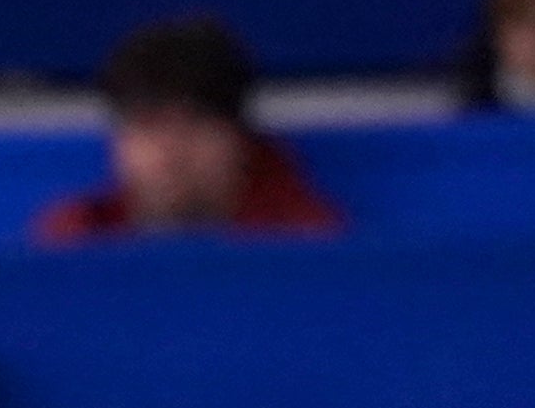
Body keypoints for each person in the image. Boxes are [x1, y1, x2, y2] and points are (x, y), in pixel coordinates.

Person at [34, 15, 341, 243]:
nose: (172, 151)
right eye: (149, 125)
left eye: (194, 124)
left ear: (238, 138)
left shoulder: (303, 241)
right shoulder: (78, 240)